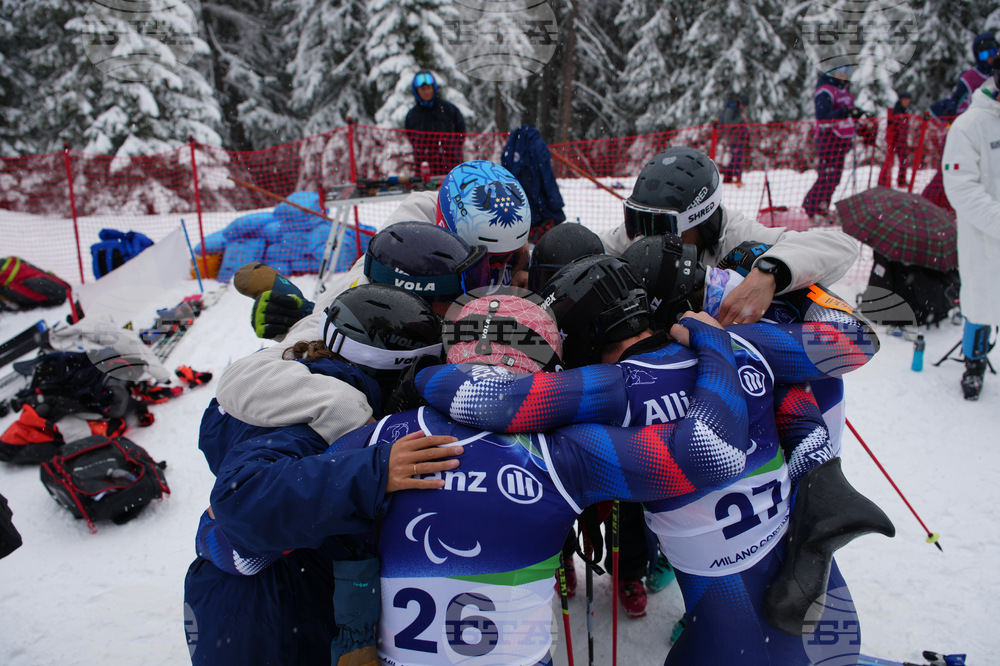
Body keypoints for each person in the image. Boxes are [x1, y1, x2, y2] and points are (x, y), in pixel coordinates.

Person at [207, 290, 757, 665]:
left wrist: (351, 630)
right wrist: (715, 348)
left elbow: (240, 542)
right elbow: (713, 454)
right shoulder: (566, 451)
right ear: (546, 370)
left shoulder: (379, 438)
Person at [416, 257, 892, 664]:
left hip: (731, 629)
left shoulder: (616, 387)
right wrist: (774, 270)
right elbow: (856, 341)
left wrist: (419, 373)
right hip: (820, 593)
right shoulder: (745, 343)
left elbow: (492, 403)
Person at [185, 284, 463, 666]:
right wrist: (375, 472)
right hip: (264, 621)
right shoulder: (315, 416)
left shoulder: (313, 385)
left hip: (275, 605)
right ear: (390, 372)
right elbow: (240, 499)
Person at [218, 221, 492, 438]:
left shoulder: (383, 258)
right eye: (457, 298)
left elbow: (420, 200)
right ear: (413, 301)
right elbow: (236, 380)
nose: (469, 307)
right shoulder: (322, 327)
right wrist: (361, 428)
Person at [600, 145, 859, 326]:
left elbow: (842, 246)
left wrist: (769, 273)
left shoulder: (737, 236)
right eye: (637, 220)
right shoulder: (641, 237)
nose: (645, 238)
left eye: (661, 226)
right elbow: (595, 245)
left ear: (699, 220)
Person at [941, 63, 1000, 400]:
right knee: (981, 304)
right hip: (985, 240)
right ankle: (974, 363)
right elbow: (962, 189)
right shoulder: (969, 126)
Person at [924, 31, 999, 210]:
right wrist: (942, 112)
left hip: (990, 131)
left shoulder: (996, 73)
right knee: (952, 173)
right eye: (984, 55)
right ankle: (929, 206)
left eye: (993, 52)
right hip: (967, 129)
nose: (989, 58)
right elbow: (955, 101)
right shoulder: (971, 77)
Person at [802, 62, 862, 223]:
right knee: (826, 177)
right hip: (828, 140)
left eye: (847, 71)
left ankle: (822, 207)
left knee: (834, 178)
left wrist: (855, 116)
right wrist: (843, 113)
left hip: (842, 141)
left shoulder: (845, 90)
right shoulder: (825, 91)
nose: (844, 75)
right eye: (841, 71)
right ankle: (809, 210)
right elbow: (822, 117)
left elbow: (848, 111)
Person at [404, 70, 466, 177]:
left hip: (451, 168)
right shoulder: (412, 115)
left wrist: (449, 149)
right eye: (422, 89)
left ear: (434, 88)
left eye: (429, 87)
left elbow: (461, 134)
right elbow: (411, 139)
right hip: (425, 171)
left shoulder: (450, 110)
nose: (426, 91)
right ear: (416, 91)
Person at [880, 90, 913, 187]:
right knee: (889, 161)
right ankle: (883, 180)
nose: (907, 102)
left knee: (904, 161)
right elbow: (892, 126)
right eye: (905, 99)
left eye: (908, 100)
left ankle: (901, 181)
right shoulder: (896, 110)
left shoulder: (906, 111)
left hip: (903, 139)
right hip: (894, 139)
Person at [719, 93, 750, 185]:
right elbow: (729, 124)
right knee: (737, 158)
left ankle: (729, 178)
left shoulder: (738, 111)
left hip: (739, 138)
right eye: (743, 105)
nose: (744, 107)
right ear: (740, 103)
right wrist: (741, 118)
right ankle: (735, 178)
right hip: (733, 138)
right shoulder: (730, 110)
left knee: (736, 158)